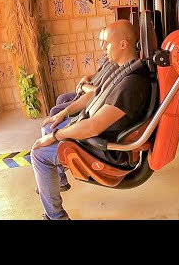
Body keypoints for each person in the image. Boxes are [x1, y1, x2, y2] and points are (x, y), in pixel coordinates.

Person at [30, 19, 150, 220]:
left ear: (123, 44)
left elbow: (94, 126)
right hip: (93, 132)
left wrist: (56, 136)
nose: (102, 47)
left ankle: (56, 216)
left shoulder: (132, 84)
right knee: (50, 128)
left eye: (107, 42)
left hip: (103, 147)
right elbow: (95, 95)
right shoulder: (124, 71)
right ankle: (56, 182)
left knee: (39, 153)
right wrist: (64, 113)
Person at [49, 27, 112, 116]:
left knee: (55, 111)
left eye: (106, 42)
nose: (102, 45)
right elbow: (99, 74)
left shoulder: (117, 63)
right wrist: (86, 78)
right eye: (100, 40)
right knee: (61, 98)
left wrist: (83, 86)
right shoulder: (108, 59)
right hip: (89, 90)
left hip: (94, 98)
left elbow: (100, 92)